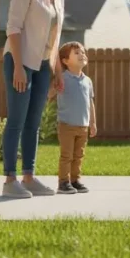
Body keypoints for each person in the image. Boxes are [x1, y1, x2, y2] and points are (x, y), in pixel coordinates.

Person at [0, 0, 67, 199]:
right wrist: (18, 67)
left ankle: (29, 177)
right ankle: (9, 180)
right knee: (16, 121)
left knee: (33, 123)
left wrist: (58, 71)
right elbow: (13, 28)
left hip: (43, 65)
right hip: (20, 61)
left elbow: (56, 37)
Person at [48, 41, 97, 195]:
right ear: (65, 61)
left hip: (83, 126)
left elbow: (90, 103)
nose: (82, 54)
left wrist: (93, 123)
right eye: (76, 53)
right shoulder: (62, 78)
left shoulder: (87, 81)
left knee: (78, 155)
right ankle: (63, 182)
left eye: (83, 52)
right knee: (67, 155)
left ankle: (75, 180)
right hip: (66, 125)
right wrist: (54, 86)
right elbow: (49, 95)